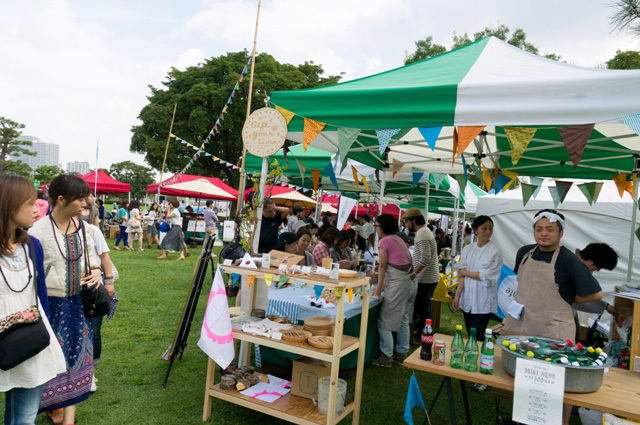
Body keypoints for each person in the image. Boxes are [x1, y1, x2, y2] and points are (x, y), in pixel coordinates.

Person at [502, 209, 603, 425]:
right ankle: (523, 419)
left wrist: (568, 298)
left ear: (561, 233)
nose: (544, 234)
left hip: (554, 331)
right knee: (526, 380)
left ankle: (561, 422)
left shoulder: (568, 260)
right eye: (539, 229)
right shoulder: (524, 253)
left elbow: (596, 293)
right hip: (524, 326)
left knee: (557, 382)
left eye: (550, 229)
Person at [29, 174, 101, 425]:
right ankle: (52, 406)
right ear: (61, 199)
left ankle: (69, 419)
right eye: (80, 199)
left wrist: (97, 271)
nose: (86, 204)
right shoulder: (37, 231)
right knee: (50, 359)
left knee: (78, 358)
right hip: (50, 306)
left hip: (78, 304)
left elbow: (91, 258)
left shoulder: (83, 228)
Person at [0, 176, 66, 425]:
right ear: (8, 205)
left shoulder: (32, 246)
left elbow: (39, 297)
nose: (38, 207)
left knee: (24, 418)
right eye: (30, 203)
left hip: (29, 337)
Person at [371, 214, 417, 367]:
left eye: (376, 225)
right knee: (403, 317)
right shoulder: (397, 238)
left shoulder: (385, 241)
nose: (375, 228)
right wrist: (382, 286)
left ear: (382, 227)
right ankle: (401, 353)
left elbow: (382, 266)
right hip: (410, 281)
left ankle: (386, 357)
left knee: (384, 320)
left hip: (400, 284)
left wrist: (378, 290)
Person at [452, 215, 503, 343]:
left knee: (478, 334)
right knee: (470, 332)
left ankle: (480, 358)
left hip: (483, 299)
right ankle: (471, 355)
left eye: (490, 228)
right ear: (475, 229)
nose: (488, 232)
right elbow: (461, 274)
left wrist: (466, 272)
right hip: (467, 297)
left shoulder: (494, 251)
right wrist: (457, 296)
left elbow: (486, 276)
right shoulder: (468, 249)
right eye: (484, 228)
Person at [85, 222, 116, 393]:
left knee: (94, 332)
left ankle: (90, 376)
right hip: (69, 290)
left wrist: (109, 282)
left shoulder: (92, 230)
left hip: (94, 288)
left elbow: (105, 256)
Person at [402, 208, 440, 345]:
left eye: (407, 221)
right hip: (427, 277)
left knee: (423, 309)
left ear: (414, 220)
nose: (406, 225)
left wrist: (413, 274)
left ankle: (426, 336)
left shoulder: (422, 233)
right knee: (422, 307)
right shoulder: (423, 232)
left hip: (426, 278)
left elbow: (425, 258)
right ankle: (423, 332)